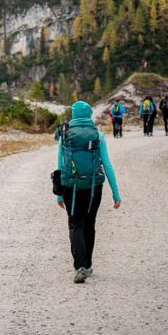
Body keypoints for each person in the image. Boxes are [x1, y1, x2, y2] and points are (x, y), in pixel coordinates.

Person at [55, 100, 121, 284]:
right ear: (89, 114)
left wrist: (59, 193)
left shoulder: (65, 135)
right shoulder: (98, 136)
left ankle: (79, 267)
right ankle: (88, 264)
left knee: (75, 225)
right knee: (89, 224)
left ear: (74, 115)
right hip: (94, 187)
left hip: (71, 187)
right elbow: (106, 165)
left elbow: (60, 166)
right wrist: (116, 193)